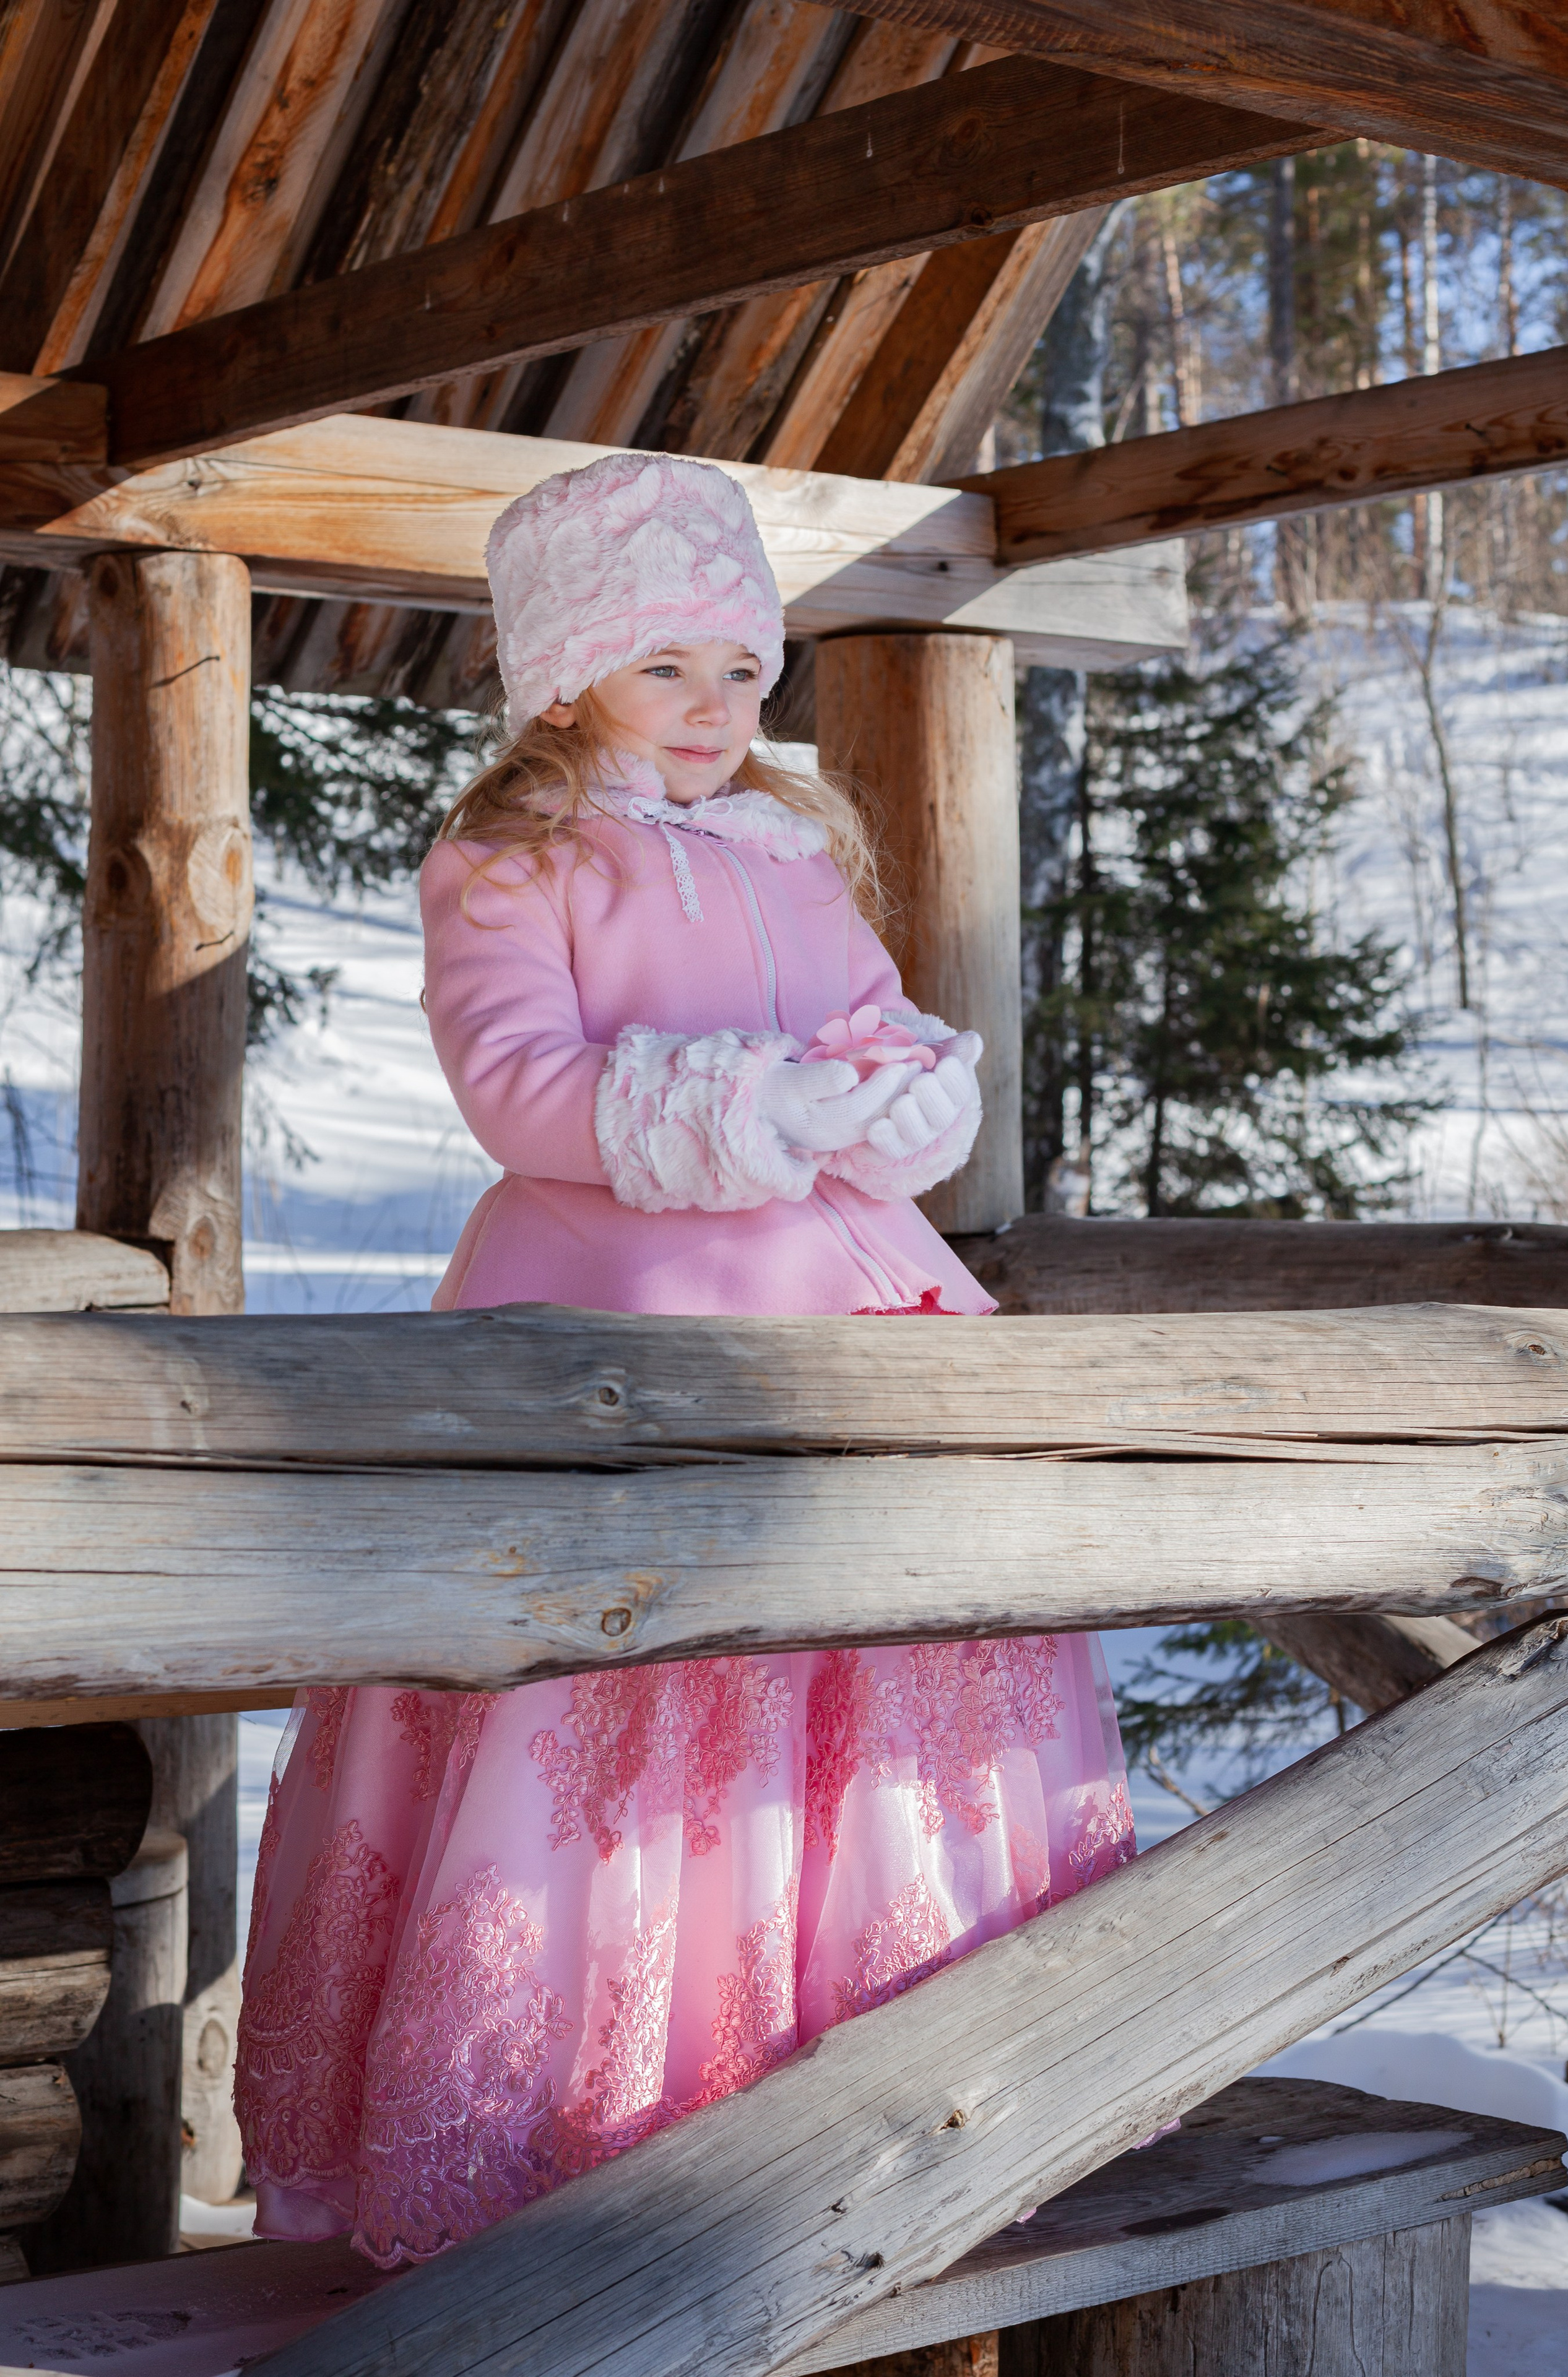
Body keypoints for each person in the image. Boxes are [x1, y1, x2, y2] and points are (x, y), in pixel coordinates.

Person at [235, 452, 1137, 2269]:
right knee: (612, 1708)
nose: (722, 708)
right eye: (670, 668)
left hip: (849, 1308)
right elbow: (521, 1085)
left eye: (743, 666)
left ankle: (914, 2090)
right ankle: (592, 2110)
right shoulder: (515, 854)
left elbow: (874, 1026)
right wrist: (744, 1108)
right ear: (567, 673)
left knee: (873, 1687)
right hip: (618, 1321)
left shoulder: (793, 848)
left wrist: (896, 1085)